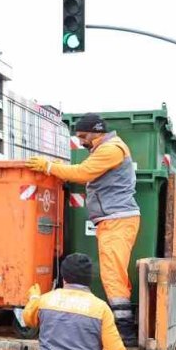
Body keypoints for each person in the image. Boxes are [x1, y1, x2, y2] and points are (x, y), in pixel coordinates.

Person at [26, 115, 139, 333]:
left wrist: (49, 167)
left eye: (83, 136)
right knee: (112, 272)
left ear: (96, 131)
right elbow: (84, 169)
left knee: (112, 273)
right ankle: (122, 325)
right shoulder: (104, 149)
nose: (81, 142)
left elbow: (82, 173)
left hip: (117, 219)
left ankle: (124, 330)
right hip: (113, 219)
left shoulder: (111, 148)